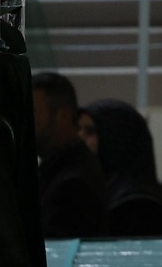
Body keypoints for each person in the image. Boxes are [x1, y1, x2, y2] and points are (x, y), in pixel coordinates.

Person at [33, 72, 109, 239]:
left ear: (64, 116)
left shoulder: (72, 184)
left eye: (34, 113)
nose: (25, 121)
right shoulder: (63, 165)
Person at [82, 99, 162, 236]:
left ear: (115, 137)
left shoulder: (137, 205)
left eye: (90, 131)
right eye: (78, 129)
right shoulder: (104, 187)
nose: (80, 137)